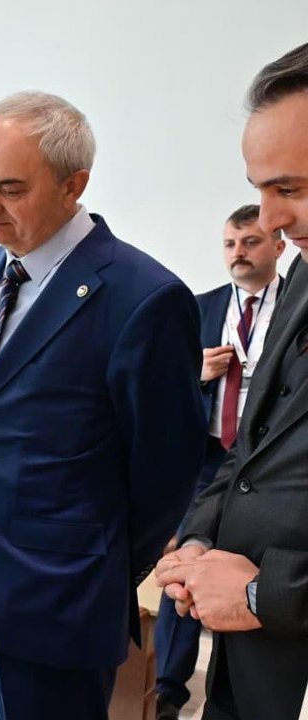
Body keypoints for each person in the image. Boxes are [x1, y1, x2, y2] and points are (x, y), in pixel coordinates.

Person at [0, 91, 205, 720]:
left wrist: (92, 569)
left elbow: (166, 471)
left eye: (11, 189)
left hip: (55, 608)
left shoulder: (145, 297)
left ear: (73, 185)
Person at [156, 42, 308, 719]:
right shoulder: (300, 283)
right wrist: (199, 538)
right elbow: (253, 446)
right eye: (261, 190)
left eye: (290, 190)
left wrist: (260, 594)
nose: (270, 221)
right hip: (249, 664)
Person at [153, 205, 285, 720]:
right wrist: (195, 373)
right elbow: (161, 389)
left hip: (269, 468)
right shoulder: (197, 308)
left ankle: (240, 694)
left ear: (278, 246)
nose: (238, 253)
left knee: (248, 575)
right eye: (230, 243)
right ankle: (168, 691)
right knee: (186, 565)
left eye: (251, 242)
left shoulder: (295, 309)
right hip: (207, 463)